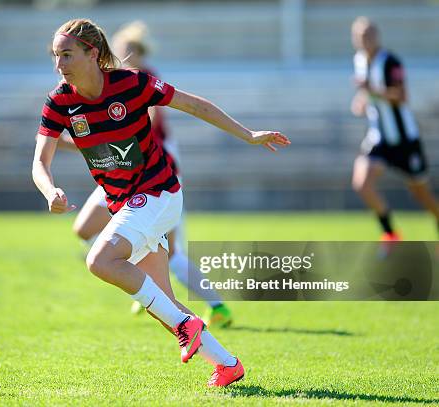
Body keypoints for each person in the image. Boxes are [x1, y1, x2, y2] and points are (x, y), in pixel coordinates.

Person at [32, 18, 290, 387]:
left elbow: (193, 105)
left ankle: (190, 325)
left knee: (100, 260)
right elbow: (40, 161)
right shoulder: (59, 100)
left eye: (67, 55)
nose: (59, 65)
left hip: (159, 192)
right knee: (164, 308)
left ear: (92, 53)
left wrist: (248, 135)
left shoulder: (131, 83)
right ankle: (227, 364)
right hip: (125, 203)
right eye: (56, 56)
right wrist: (49, 191)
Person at [62, 20, 233, 328]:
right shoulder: (108, 84)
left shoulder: (139, 82)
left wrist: (77, 142)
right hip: (121, 170)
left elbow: (131, 136)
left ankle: (214, 305)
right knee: (85, 228)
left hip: (152, 171)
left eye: (125, 51)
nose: (116, 57)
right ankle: (136, 275)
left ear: (137, 53)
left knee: (171, 248)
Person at [350, 16, 438, 240]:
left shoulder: (390, 61)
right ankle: (390, 234)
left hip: (404, 139)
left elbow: (401, 96)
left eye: (369, 35)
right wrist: (361, 101)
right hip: (378, 137)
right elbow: (367, 93)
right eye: (361, 36)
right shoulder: (359, 60)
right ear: (355, 40)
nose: (366, 40)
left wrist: (371, 90)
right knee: (361, 183)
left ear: (377, 36)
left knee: (420, 194)